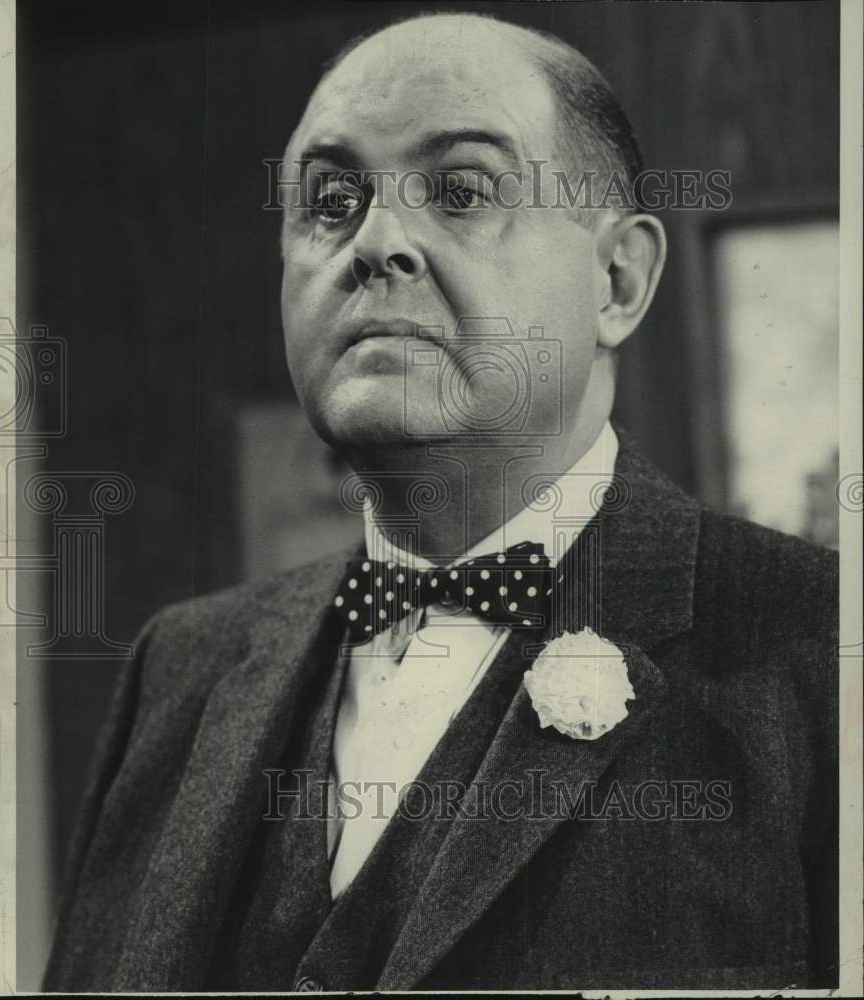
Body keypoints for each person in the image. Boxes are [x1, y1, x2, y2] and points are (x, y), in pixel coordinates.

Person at [44, 12, 838, 992]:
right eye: (330, 201)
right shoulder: (180, 667)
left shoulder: (821, 648)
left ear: (618, 279)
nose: (377, 242)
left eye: (460, 191)